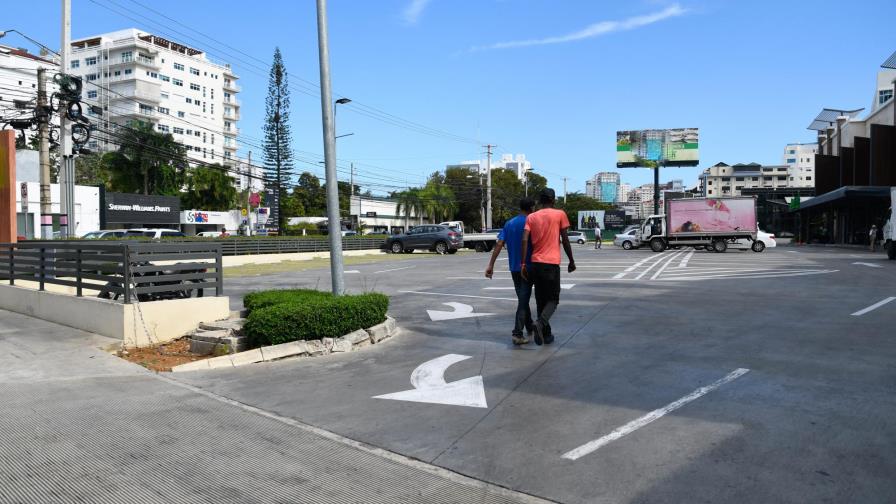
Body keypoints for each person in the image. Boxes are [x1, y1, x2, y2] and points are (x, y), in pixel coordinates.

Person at [521, 188, 576, 345]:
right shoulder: (560, 214)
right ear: (553, 200)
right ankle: (540, 324)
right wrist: (571, 261)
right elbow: (565, 240)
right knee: (553, 300)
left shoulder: (531, 217)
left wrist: (523, 263)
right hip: (551, 264)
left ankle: (546, 334)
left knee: (540, 300)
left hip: (535, 263)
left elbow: (524, 239)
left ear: (540, 200)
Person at [485, 198, 536, 346]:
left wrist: (491, 265)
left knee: (523, 297)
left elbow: (499, 244)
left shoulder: (510, 223)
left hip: (514, 268)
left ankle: (529, 325)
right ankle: (517, 333)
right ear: (532, 207)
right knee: (523, 299)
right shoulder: (531, 222)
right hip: (527, 267)